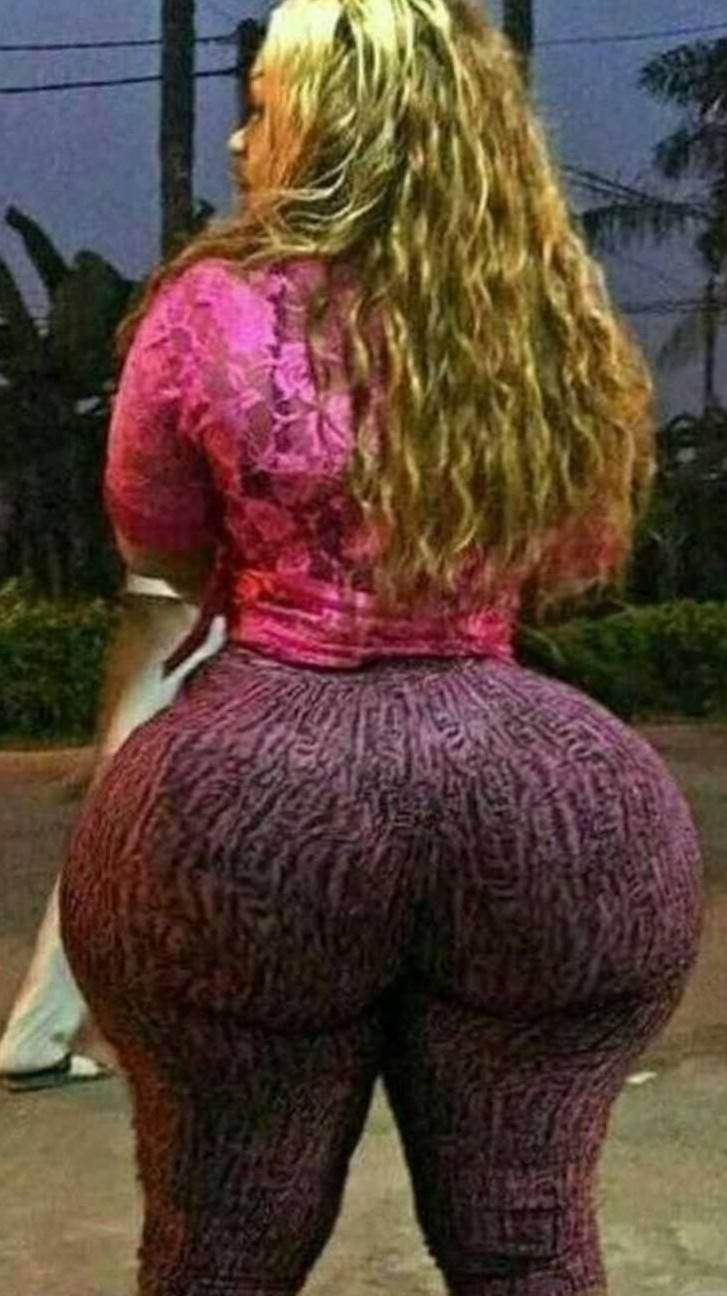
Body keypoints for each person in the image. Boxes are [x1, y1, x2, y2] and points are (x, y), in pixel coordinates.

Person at [59, 0, 703, 1293]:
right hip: (539, 796)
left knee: (222, 1244)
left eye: (262, 107)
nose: (240, 139)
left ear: (325, 125)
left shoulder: (209, 308)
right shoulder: (536, 314)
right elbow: (575, 546)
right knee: (526, 1241)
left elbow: (160, 543)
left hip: (252, 797)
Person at [0, 576, 224, 1092]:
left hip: (168, 698)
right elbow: (154, 619)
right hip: (195, 697)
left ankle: (38, 1035)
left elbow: (144, 623)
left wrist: (109, 739)